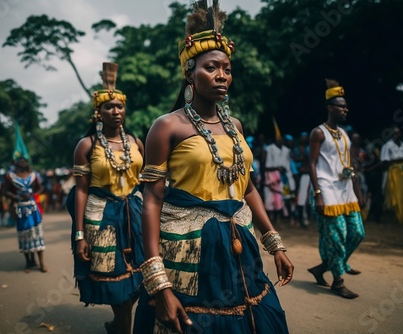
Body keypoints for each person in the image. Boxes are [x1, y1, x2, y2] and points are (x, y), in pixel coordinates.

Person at [133, 2, 293, 333]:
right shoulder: (167, 126)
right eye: (210, 68)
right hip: (188, 250)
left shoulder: (235, 124)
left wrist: (274, 243)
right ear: (189, 73)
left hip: (239, 243)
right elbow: (152, 200)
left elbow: (247, 188)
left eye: (227, 69)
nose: (221, 75)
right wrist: (158, 281)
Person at [67, 62, 145, 334]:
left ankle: (119, 323)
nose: (115, 111)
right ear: (98, 112)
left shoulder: (136, 142)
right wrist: (80, 236)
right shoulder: (86, 145)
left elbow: (146, 185)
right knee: (115, 282)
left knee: (143, 277)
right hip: (102, 219)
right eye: (109, 107)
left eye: (119, 106)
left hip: (135, 215)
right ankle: (122, 324)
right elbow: (81, 190)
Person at [307, 79, 365, 299]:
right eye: (341, 106)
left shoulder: (345, 134)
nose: (345, 109)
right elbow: (311, 164)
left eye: (346, 106)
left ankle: (323, 268)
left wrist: (358, 191)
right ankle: (338, 281)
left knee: (358, 233)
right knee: (337, 236)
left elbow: (349, 165)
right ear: (330, 107)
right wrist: (317, 194)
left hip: (346, 190)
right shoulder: (318, 133)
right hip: (327, 191)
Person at [2, 157, 47, 273]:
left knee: (37, 234)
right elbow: (5, 190)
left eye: (24, 161)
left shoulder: (33, 175)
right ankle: (29, 262)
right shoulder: (10, 176)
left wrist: (34, 194)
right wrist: (16, 197)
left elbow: (41, 187)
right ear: (16, 164)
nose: (23, 163)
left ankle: (41, 263)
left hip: (33, 207)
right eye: (20, 161)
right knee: (24, 235)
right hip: (20, 208)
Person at [380, 125, 403, 225]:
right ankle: (393, 216)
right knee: (394, 193)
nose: (396, 135)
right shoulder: (387, 145)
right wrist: (399, 161)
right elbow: (385, 162)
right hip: (393, 173)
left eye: (398, 133)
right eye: (394, 133)